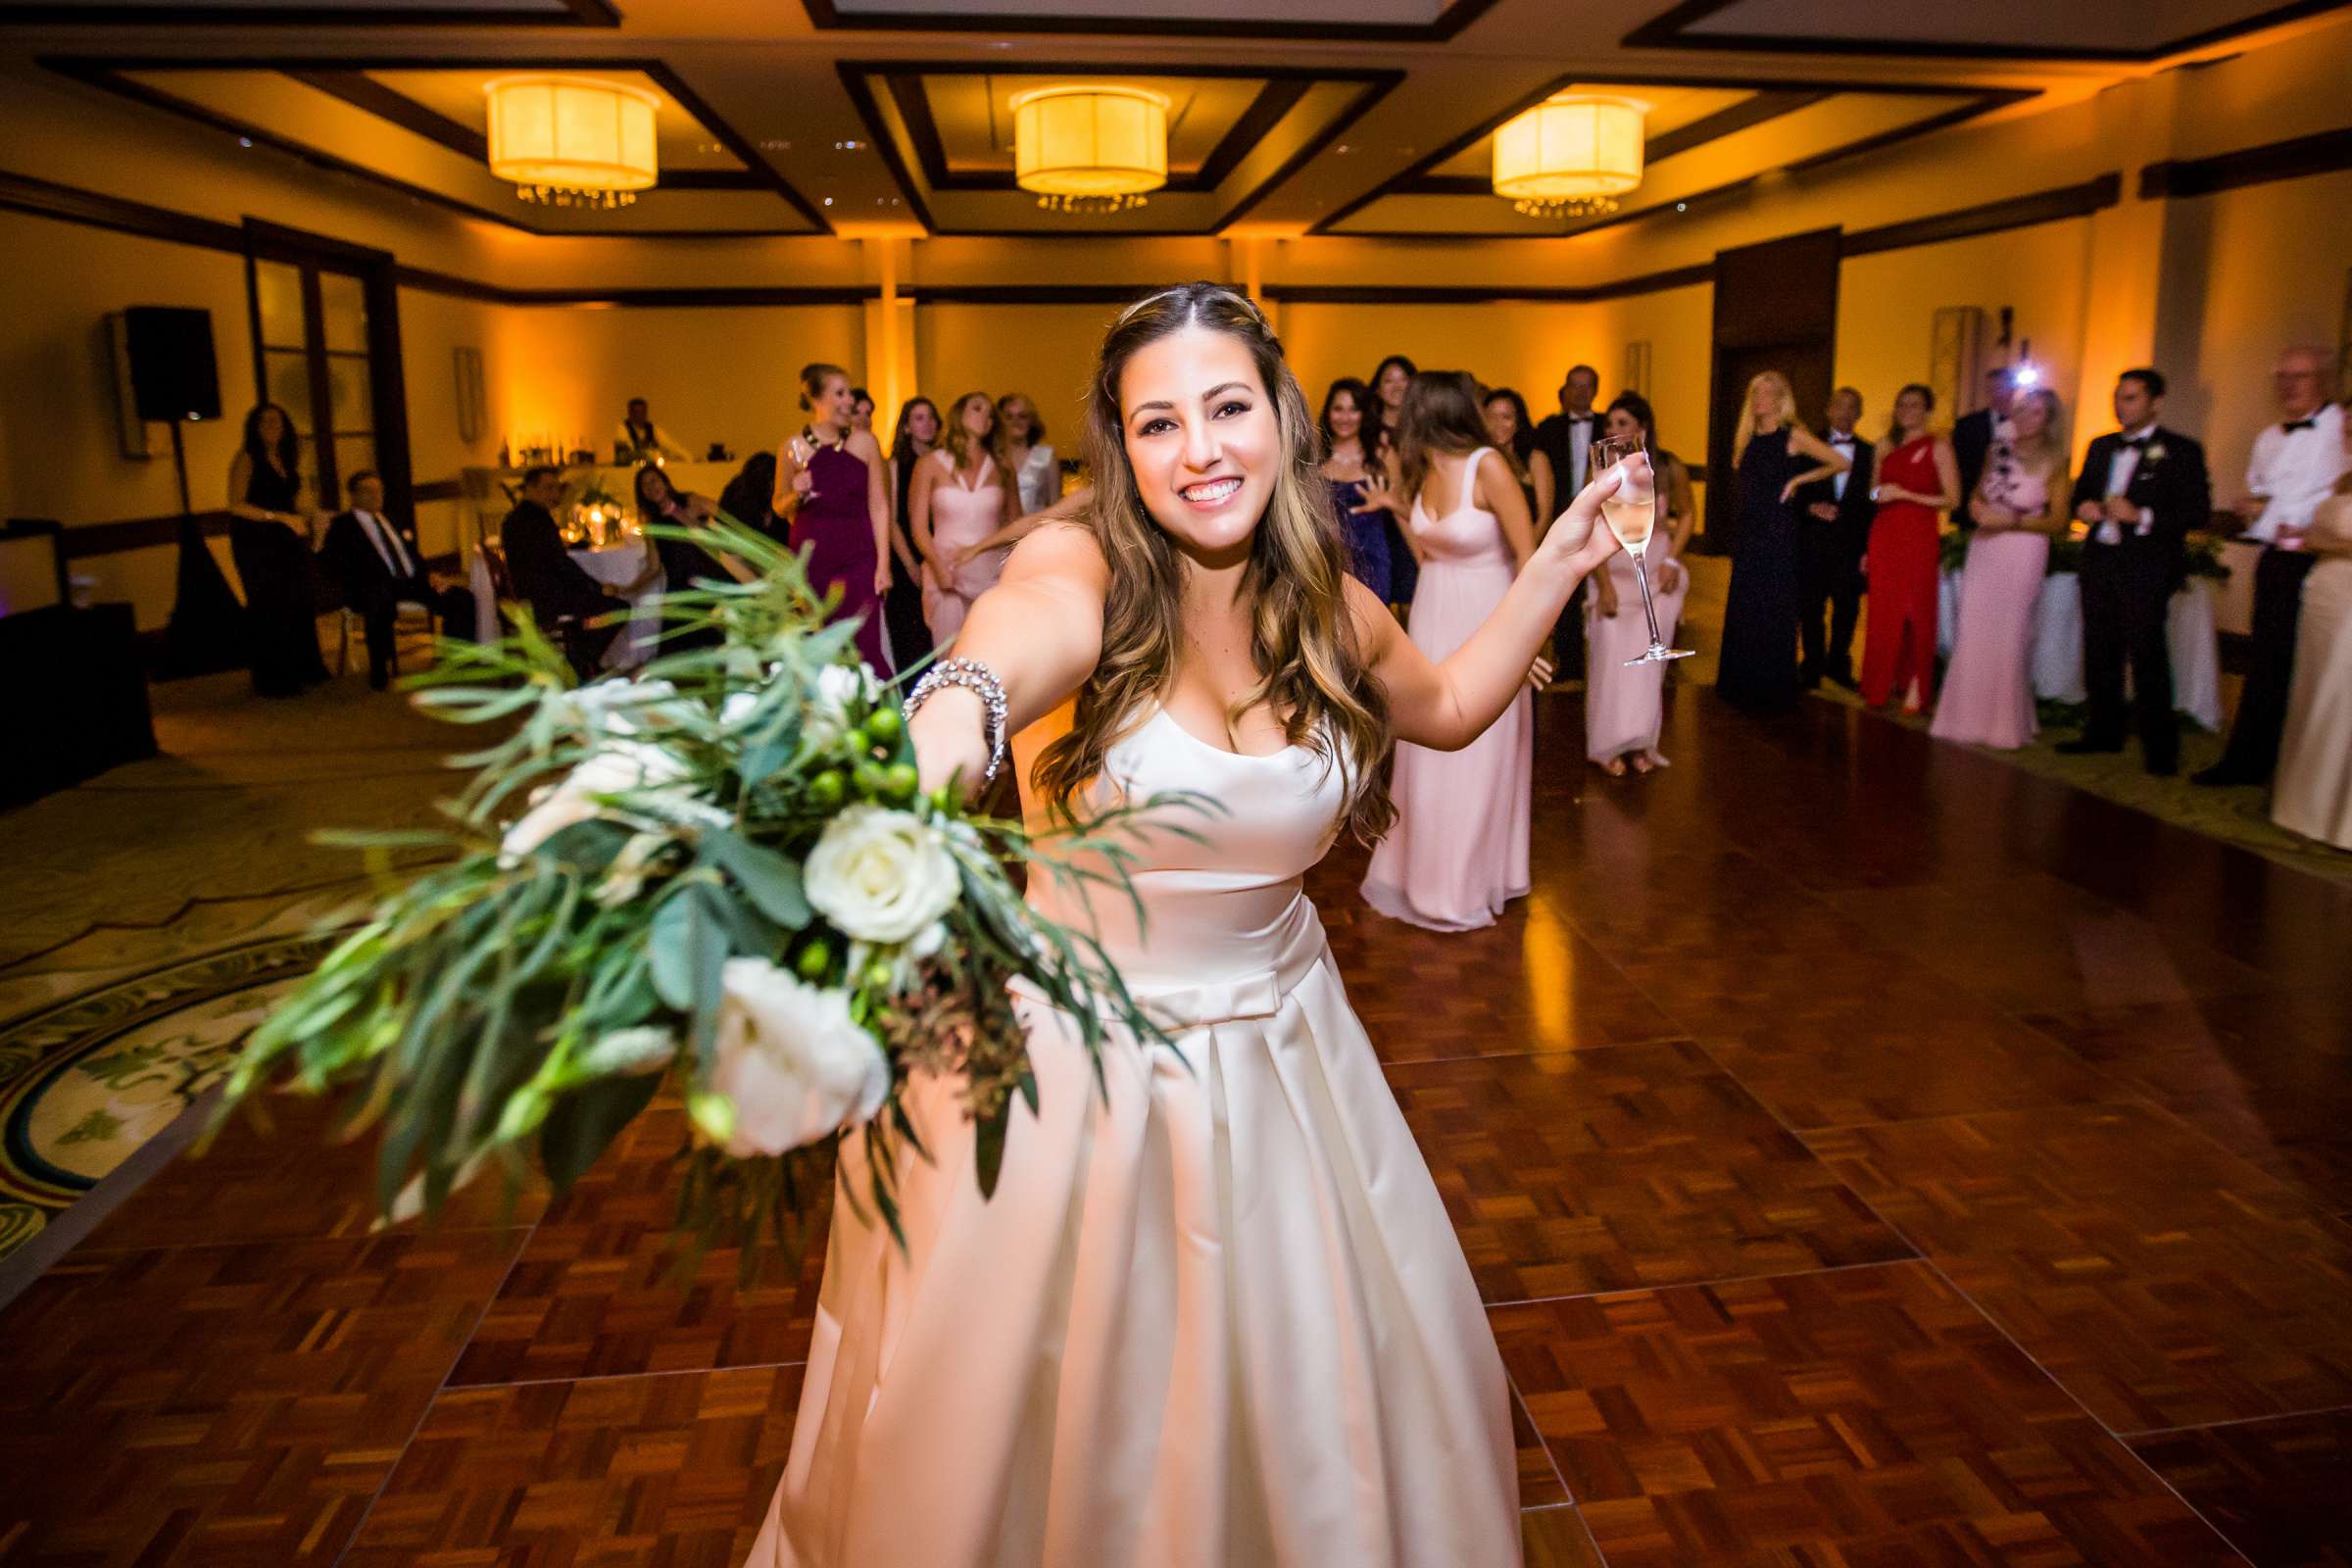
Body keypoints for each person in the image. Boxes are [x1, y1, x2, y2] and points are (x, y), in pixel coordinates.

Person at [746, 281, 1629, 1567]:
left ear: (1278, 412)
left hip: (1289, 1073)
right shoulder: (1080, 567)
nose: (1201, 450)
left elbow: (1441, 702)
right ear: (1120, 443)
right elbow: (995, 659)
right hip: (1078, 1090)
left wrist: (1556, 561)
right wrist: (924, 756)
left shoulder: (1324, 599)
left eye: (1227, 408)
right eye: (1159, 424)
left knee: (1305, 1424)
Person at [1359, 369, 1539, 932]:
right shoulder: (1419, 469)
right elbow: (1428, 553)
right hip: (1434, 619)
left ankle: (1466, 884)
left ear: (1428, 412)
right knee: (1427, 751)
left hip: (1488, 619)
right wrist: (1394, 504)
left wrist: (1526, 639)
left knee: (1477, 754)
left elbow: (1532, 559)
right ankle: (1423, 878)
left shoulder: (1489, 464)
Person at [2194, 347, 2348, 787]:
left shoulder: (2343, 428)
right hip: (2277, 561)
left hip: (2326, 561)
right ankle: (2249, 761)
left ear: (2325, 380)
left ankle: (2307, 770)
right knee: (2266, 663)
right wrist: (2252, 508)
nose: (2288, 386)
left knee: (2321, 668)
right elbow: (2263, 497)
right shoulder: (2268, 438)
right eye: (2281, 377)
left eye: (2299, 376)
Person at [2059, 368, 2212, 775]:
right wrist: (2085, 508)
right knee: (2099, 650)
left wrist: (2141, 514)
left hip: (2147, 566)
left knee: (2146, 654)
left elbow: (2197, 512)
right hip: (2101, 561)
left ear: (2155, 402)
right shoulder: (2100, 445)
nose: (2121, 405)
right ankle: (2103, 732)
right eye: (2119, 396)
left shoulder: (2181, 450)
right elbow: (2081, 492)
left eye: (2131, 398)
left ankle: (2160, 747)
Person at [1931, 388, 2070, 749]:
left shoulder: (2056, 459)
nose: (2025, 418)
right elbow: (1978, 493)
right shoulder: (1997, 450)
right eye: (2021, 409)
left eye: (2035, 412)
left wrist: (2010, 521)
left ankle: (2005, 724)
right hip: (1985, 547)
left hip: (2023, 550)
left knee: (2009, 633)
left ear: (2049, 421)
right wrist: (1978, 508)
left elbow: (2057, 522)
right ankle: (1964, 716)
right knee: (1974, 629)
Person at [1718, 371, 1848, 712]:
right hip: (1750, 529)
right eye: (1757, 391)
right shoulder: (1745, 438)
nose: (1762, 397)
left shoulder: (1792, 436)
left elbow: (1840, 461)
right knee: (1746, 603)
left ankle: (1772, 686)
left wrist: (1798, 480)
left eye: (1769, 391)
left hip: (1778, 530)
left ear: (1781, 399)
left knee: (1773, 603)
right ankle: (1741, 681)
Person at [1585, 392, 1696, 774]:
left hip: (1654, 578)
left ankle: (1641, 743)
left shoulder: (1668, 468)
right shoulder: (1600, 471)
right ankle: (1608, 744)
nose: (1613, 431)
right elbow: (1588, 527)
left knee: (1648, 668)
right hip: (1613, 578)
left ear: (1642, 430)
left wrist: (1671, 559)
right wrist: (1604, 585)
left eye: (1622, 424)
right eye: (1609, 425)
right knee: (1613, 661)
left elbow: (1688, 515)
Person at [774, 363, 894, 675]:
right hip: (812, 558)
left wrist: (883, 564)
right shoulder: (791, 448)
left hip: (859, 558)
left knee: (866, 645)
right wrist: (796, 494)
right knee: (819, 644)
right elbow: (779, 507)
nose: (848, 401)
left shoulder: (866, 443)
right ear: (816, 399)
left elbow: (879, 506)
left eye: (849, 394)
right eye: (839, 394)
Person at [318, 469, 476, 689]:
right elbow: (334, 563)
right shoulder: (343, 526)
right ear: (353, 496)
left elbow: (411, 553)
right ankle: (379, 668)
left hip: (411, 581)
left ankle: (455, 656)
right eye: (368, 492)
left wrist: (429, 574)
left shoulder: (391, 518)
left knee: (461, 597)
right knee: (379, 602)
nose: (376, 496)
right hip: (372, 585)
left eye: (379, 491)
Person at [2273, 422, 2352, 850]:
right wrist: (2311, 539)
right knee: (2313, 688)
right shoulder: (2344, 479)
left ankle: (2340, 813)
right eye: (2350, 429)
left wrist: (2334, 543)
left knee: (2343, 697)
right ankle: (2305, 804)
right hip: (2323, 593)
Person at [1857, 384, 1957, 712]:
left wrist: (1906, 495)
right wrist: (1881, 496)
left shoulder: (1939, 447)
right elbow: (1872, 493)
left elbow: (1952, 499)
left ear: (1927, 410)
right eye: (1901, 405)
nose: (1906, 410)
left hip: (1918, 533)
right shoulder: (1885, 445)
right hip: (1885, 532)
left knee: (1916, 610)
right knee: (1883, 612)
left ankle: (1917, 683)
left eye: (1914, 405)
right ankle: (1879, 683)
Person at [225, 401, 328, 698]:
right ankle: (275, 678)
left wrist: (312, 516)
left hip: (285, 538)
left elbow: (293, 503)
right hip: (255, 539)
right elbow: (236, 505)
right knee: (270, 605)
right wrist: (278, 517)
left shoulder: (285, 458)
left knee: (299, 598)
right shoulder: (246, 458)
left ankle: (303, 667)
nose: (273, 427)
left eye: (278, 422)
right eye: (266, 422)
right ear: (255, 428)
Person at [911, 390, 1015, 644]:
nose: (986, 417)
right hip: (946, 570)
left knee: (992, 652)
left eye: (991, 414)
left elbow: (1015, 522)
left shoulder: (1002, 465)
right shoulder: (929, 464)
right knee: (950, 655)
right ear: (959, 414)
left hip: (992, 574)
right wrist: (937, 568)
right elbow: (918, 527)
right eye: (978, 409)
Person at [500, 465, 620, 675]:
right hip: (545, 598)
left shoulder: (516, 518)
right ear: (529, 488)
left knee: (592, 601)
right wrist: (597, 586)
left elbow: (550, 557)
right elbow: (560, 565)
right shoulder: (536, 520)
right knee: (618, 608)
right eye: (548, 488)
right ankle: (580, 661)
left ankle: (581, 660)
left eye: (557, 489)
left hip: (533, 593)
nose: (555, 495)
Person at [1795, 386, 1874, 690]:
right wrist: (1809, 506)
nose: (1845, 413)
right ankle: (1812, 664)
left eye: (1852, 407)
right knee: (1811, 607)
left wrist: (1868, 546)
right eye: (1839, 406)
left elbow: (1872, 502)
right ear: (1828, 410)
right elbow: (1790, 490)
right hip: (1813, 540)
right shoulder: (1805, 445)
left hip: (1850, 543)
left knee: (1848, 608)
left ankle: (1839, 664)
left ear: (1859, 414)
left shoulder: (1869, 452)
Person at [1530, 365, 1602, 671]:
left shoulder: (1607, 426)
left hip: (1601, 519)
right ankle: (1567, 660)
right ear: (1565, 390)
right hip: (1558, 518)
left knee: (1598, 590)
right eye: (1575, 385)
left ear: (1596, 390)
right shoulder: (1547, 429)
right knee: (1563, 591)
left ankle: (1599, 663)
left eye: (1587, 386)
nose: (1581, 392)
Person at [1317, 377, 1392, 600]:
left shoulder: (1382, 454)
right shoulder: (1315, 453)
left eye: (1353, 410)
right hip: (1325, 560)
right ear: (1328, 412)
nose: (1345, 418)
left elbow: (1408, 511)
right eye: (1338, 409)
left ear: (1364, 414)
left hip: (1372, 562)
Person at [884, 396, 943, 672]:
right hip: (905, 555)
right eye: (919, 418)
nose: (927, 424)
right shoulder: (895, 465)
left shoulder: (945, 462)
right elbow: (892, 519)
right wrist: (910, 563)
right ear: (906, 427)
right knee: (913, 638)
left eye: (931, 417)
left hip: (940, 550)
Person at [1367, 354, 1420, 605]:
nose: (1397, 386)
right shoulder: (1365, 431)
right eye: (1389, 380)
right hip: (1376, 523)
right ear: (1377, 389)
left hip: (1418, 521)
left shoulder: (1425, 433)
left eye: (1403, 379)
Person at [1950, 365, 2018, 531]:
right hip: (1976, 506)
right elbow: (1959, 468)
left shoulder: (2025, 424)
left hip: (2014, 506)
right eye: (1992, 388)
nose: (1997, 393)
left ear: (2012, 390)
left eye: (2001, 387)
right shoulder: (1967, 425)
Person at [1483, 386, 1551, 525]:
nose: (1497, 424)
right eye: (1490, 417)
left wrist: (1528, 546)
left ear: (1518, 423)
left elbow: (1544, 517)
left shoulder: (1535, 459)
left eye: (1506, 417)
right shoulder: (1478, 459)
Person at [998, 392, 1059, 515]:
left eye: (1022, 416)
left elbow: (1055, 504)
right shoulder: (993, 457)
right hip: (999, 532)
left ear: (1032, 420)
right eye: (1009, 416)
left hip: (1035, 531)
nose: (1016, 421)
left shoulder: (1046, 456)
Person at [615, 397, 690, 464]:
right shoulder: (623, 429)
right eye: (636, 412)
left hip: (651, 467)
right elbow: (627, 450)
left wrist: (688, 458)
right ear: (630, 413)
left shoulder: (653, 429)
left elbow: (670, 445)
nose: (640, 415)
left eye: (642, 412)